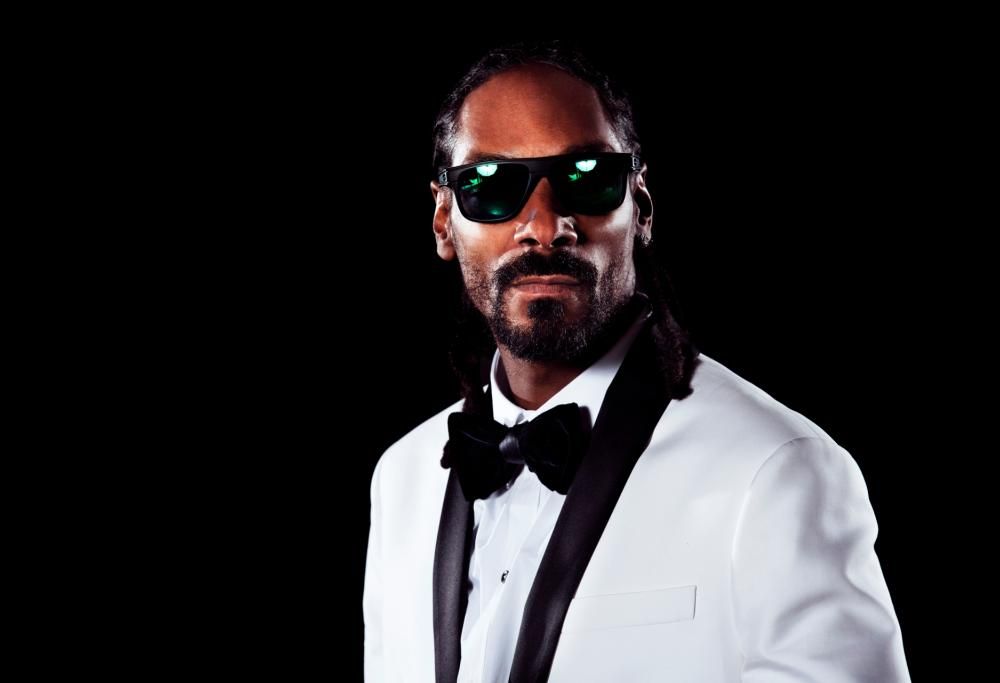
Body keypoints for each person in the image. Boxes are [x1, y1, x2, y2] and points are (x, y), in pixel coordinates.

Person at [363, 41, 910, 682]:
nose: (544, 225)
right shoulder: (401, 478)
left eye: (588, 176)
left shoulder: (776, 471)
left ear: (641, 207)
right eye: (491, 186)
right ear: (442, 220)